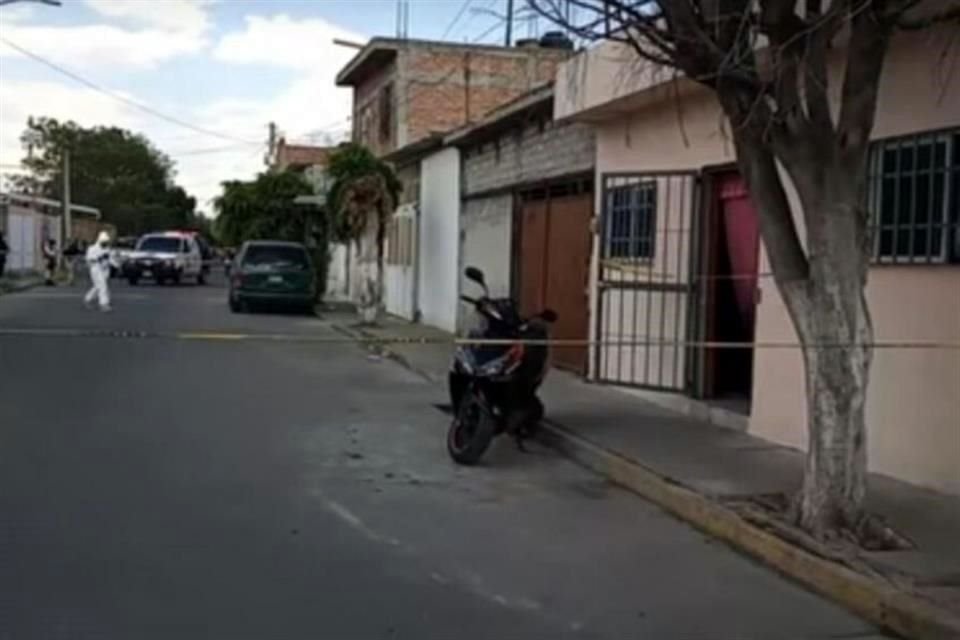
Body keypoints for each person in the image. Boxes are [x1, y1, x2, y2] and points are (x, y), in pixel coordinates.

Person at [84, 231, 113, 312]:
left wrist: (115, 263)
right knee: (102, 285)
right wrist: (100, 257)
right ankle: (103, 304)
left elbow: (110, 259)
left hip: (105, 269)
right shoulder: (92, 248)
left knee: (98, 286)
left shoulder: (107, 249)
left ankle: (88, 299)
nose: (105, 243)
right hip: (96, 269)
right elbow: (89, 259)